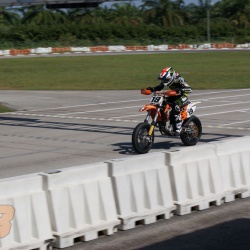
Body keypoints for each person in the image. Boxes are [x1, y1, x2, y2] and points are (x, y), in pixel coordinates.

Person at [146, 67, 192, 135]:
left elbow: (189, 89)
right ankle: (164, 121)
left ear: (171, 77)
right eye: (163, 80)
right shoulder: (166, 80)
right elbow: (159, 87)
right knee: (163, 103)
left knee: (175, 104)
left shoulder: (179, 79)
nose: (164, 82)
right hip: (173, 95)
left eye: (166, 80)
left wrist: (180, 90)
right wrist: (152, 89)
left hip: (182, 96)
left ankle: (178, 127)